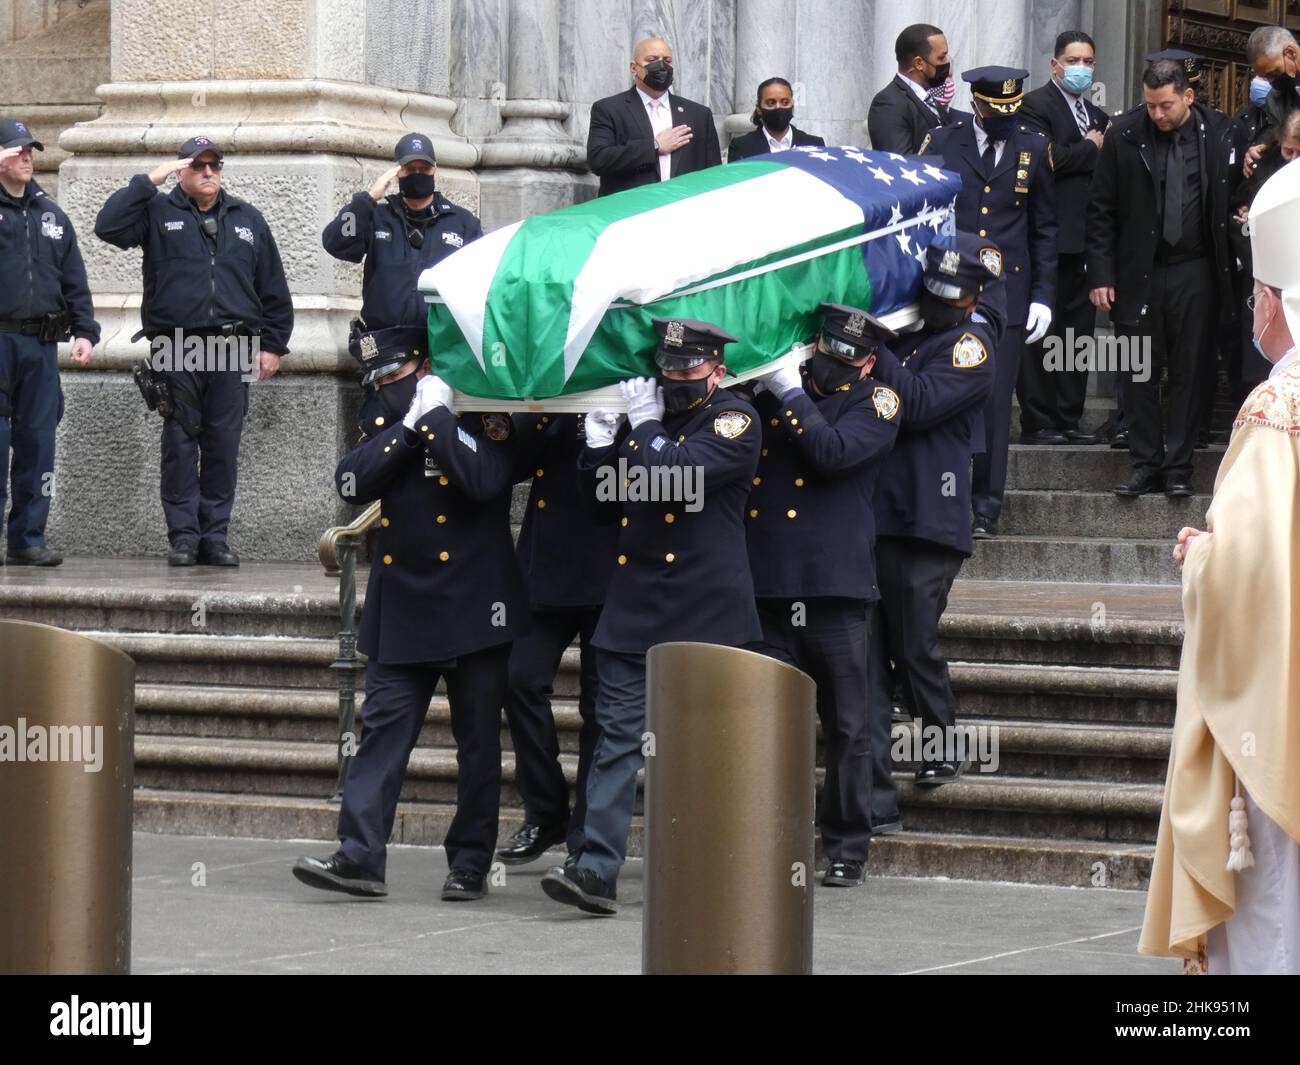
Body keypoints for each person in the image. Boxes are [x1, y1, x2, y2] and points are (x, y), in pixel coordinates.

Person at [539, 318, 760, 915]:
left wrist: (643, 426)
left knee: (701, 749)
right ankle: (596, 870)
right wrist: (597, 446)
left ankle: (706, 867)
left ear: (717, 368)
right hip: (634, 609)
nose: (676, 378)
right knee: (615, 741)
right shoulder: (647, 421)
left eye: (688, 369)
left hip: (705, 611)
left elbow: (674, 478)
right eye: (668, 368)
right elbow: (600, 503)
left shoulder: (735, 419)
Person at [1139, 158, 1300, 974]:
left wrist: (1201, 554)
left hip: (1282, 699)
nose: (1251, 311)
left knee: (1275, 908)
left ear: (1277, 300)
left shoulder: (1278, 407)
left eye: (1256, 296)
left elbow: (1249, 572)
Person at [293, 358, 526, 903]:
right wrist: (408, 426)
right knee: (381, 737)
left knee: (476, 744)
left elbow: (487, 480)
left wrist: (440, 419)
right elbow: (351, 481)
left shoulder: (480, 410)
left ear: (424, 365)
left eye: (392, 375)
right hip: (404, 605)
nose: (382, 385)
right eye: (377, 378)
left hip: (476, 605)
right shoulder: (388, 414)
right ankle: (359, 855)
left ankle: (470, 863)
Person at [745, 304, 900, 887]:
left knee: (847, 726)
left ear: (866, 364)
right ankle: (767, 837)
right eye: (826, 352)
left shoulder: (878, 402)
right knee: (767, 725)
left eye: (848, 357)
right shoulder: (773, 394)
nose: (834, 365)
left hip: (834, 590)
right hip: (770, 583)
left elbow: (832, 453)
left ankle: (846, 846)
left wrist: (788, 395)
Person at [94, 136, 293, 567]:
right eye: (197, 166)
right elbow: (107, 226)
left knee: (223, 443)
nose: (208, 173)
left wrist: (274, 344)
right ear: (181, 171)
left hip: (233, 343)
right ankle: (184, 537)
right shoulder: (156, 211)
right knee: (180, 442)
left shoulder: (247, 219)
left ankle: (214, 537)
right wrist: (150, 180)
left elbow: (272, 286)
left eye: (214, 166)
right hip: (176, 343)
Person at [866, 234, 1003, 817]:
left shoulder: (973, 345)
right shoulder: (919, 333)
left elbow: (918, 403)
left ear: (971, 300)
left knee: (914, 637)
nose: (939, 305)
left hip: (928, 518)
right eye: (933, 294)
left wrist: (878, 350)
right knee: (879, 643)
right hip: (886, 512)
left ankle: (942, 743)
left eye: (949, 297)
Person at [1085, 61, 1246, 498]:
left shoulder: (1222, 132)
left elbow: (1237, 192)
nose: (1157, 114)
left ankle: (1179, 465)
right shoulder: (1125, 133)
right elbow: (1101, 209)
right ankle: (1144, 463)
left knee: (1191, 371)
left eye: (1166, 105)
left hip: (1197, 269)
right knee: (1135, 370)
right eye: (1151, 105)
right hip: (1139, 268)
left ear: (1188, 96)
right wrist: (1101, 273)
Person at [920, 67, 1056, 538]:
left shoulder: (1034, 147)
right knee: (944, 395)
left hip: (1008, 294)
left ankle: (986, 505)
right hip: (949, 291)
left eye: (1011, 112)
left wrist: (1042, 296)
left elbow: (1044, 229)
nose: (1005, 120)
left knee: (996, 403)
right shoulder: (942, 140)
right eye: (996, 112)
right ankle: (944, 496)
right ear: (977, 105)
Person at [494, 413, 615, 867]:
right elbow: (513, 464)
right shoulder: (553, 389)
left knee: (601, 709)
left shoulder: (630, 386)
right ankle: (546, 811)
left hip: (612, 568)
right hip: (547, 568)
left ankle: (587, 834)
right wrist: (541, 412)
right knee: (517, 678)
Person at [0, 119, 98, 567]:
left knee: (38, 443)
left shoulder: (51, 215)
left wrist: (85, 330)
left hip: (39, 347)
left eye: (30, 151)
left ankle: (27, 538)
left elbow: (73, 278)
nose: (27, 157)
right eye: (16, 150)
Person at [1016, 31, 1110, 446]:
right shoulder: (1034, 106)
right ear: (1055, 65)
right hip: (1047, 238)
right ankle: (1038, 421)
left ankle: (1069, 418)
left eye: (1089, 61)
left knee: (1077, 333)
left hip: (1087, 242)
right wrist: (1090, 148)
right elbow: (1045, 160)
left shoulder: (1096, 113)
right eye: (1074, 60)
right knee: (1041, 332)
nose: (1082, 69)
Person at [586, 36, 721, 197]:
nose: (662, 65)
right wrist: (654, 147)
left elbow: (713, 175)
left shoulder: (698, 114)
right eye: (652, 59)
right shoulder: (609, 109)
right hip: (629, 211)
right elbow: (598, 159)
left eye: (667, 60)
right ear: (634, 68)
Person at [867, 23, 955, 155]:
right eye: (941, 58)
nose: (946, 63)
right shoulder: (889, 103)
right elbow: (899, 164)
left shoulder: (927, 98)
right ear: (919, 63)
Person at [1243, 26, 1300, 179]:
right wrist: (1264, 148)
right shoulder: (1275, 99)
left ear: (1290, 53)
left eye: (1274, 73)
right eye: (1266, 78)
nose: (1272, 81)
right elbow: (1281, 140)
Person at [727, 78, 824, 161]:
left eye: (785, 102)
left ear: (792, 106)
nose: (778, 107)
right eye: (771, 103)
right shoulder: (741, 147)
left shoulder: (814, 144)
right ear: (759, 109)